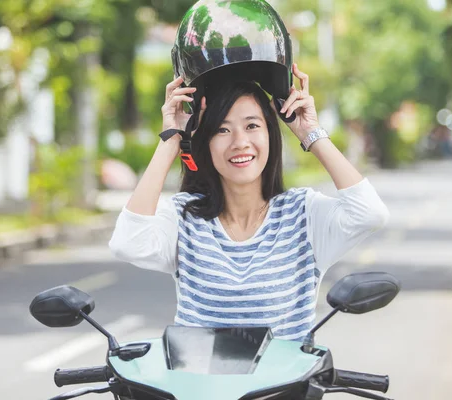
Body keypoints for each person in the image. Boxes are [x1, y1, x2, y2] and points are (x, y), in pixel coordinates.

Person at [109, 0, 389, 341]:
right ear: (206, 141)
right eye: (222, 130)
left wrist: (310, 133)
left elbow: (370, 214)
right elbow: (127, 243)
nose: (240, 142)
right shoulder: (185, 218)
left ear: (271, 134)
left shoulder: (302, 214)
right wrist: (171, 139)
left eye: (252, 126)